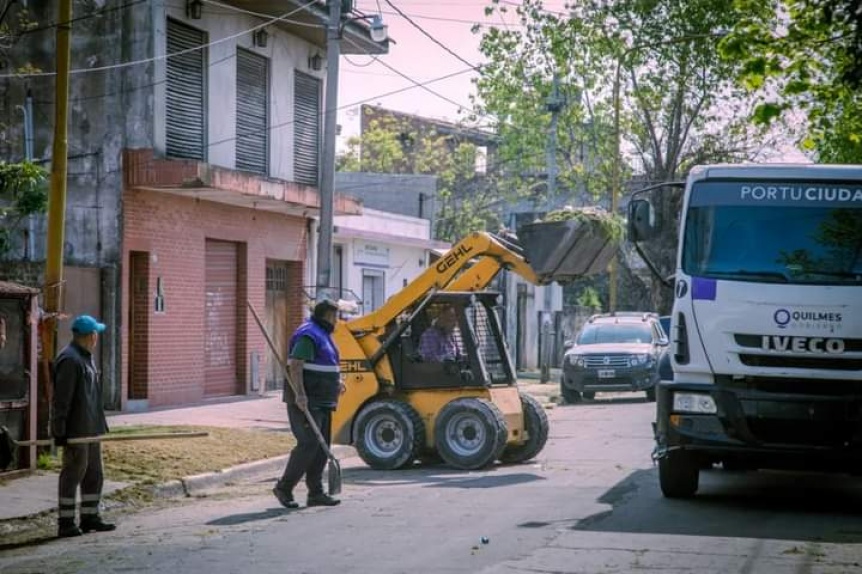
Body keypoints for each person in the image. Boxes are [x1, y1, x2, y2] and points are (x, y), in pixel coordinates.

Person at [273, 299, 344, 509]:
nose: (337, 321)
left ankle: (315, 493)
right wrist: (301, 395)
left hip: (323, 399)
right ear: (328, 316)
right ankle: (284, 488)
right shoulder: (308, 334)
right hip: (307, 399)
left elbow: (325, 363)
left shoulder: (323, 335)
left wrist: (337, 381)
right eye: (335, 317)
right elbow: (296, 365)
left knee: (322, 447)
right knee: (309, 444)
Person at [52, 315, 116, 538]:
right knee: (73, 474)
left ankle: (90, 517)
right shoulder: (70, 360)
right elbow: (62, 400)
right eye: (95, 333)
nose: (97, 337)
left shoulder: (86, 357)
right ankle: (66, 522)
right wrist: (59, 431)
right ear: (89, 336)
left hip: (91, 427)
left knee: (94, 474)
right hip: (77, 429)